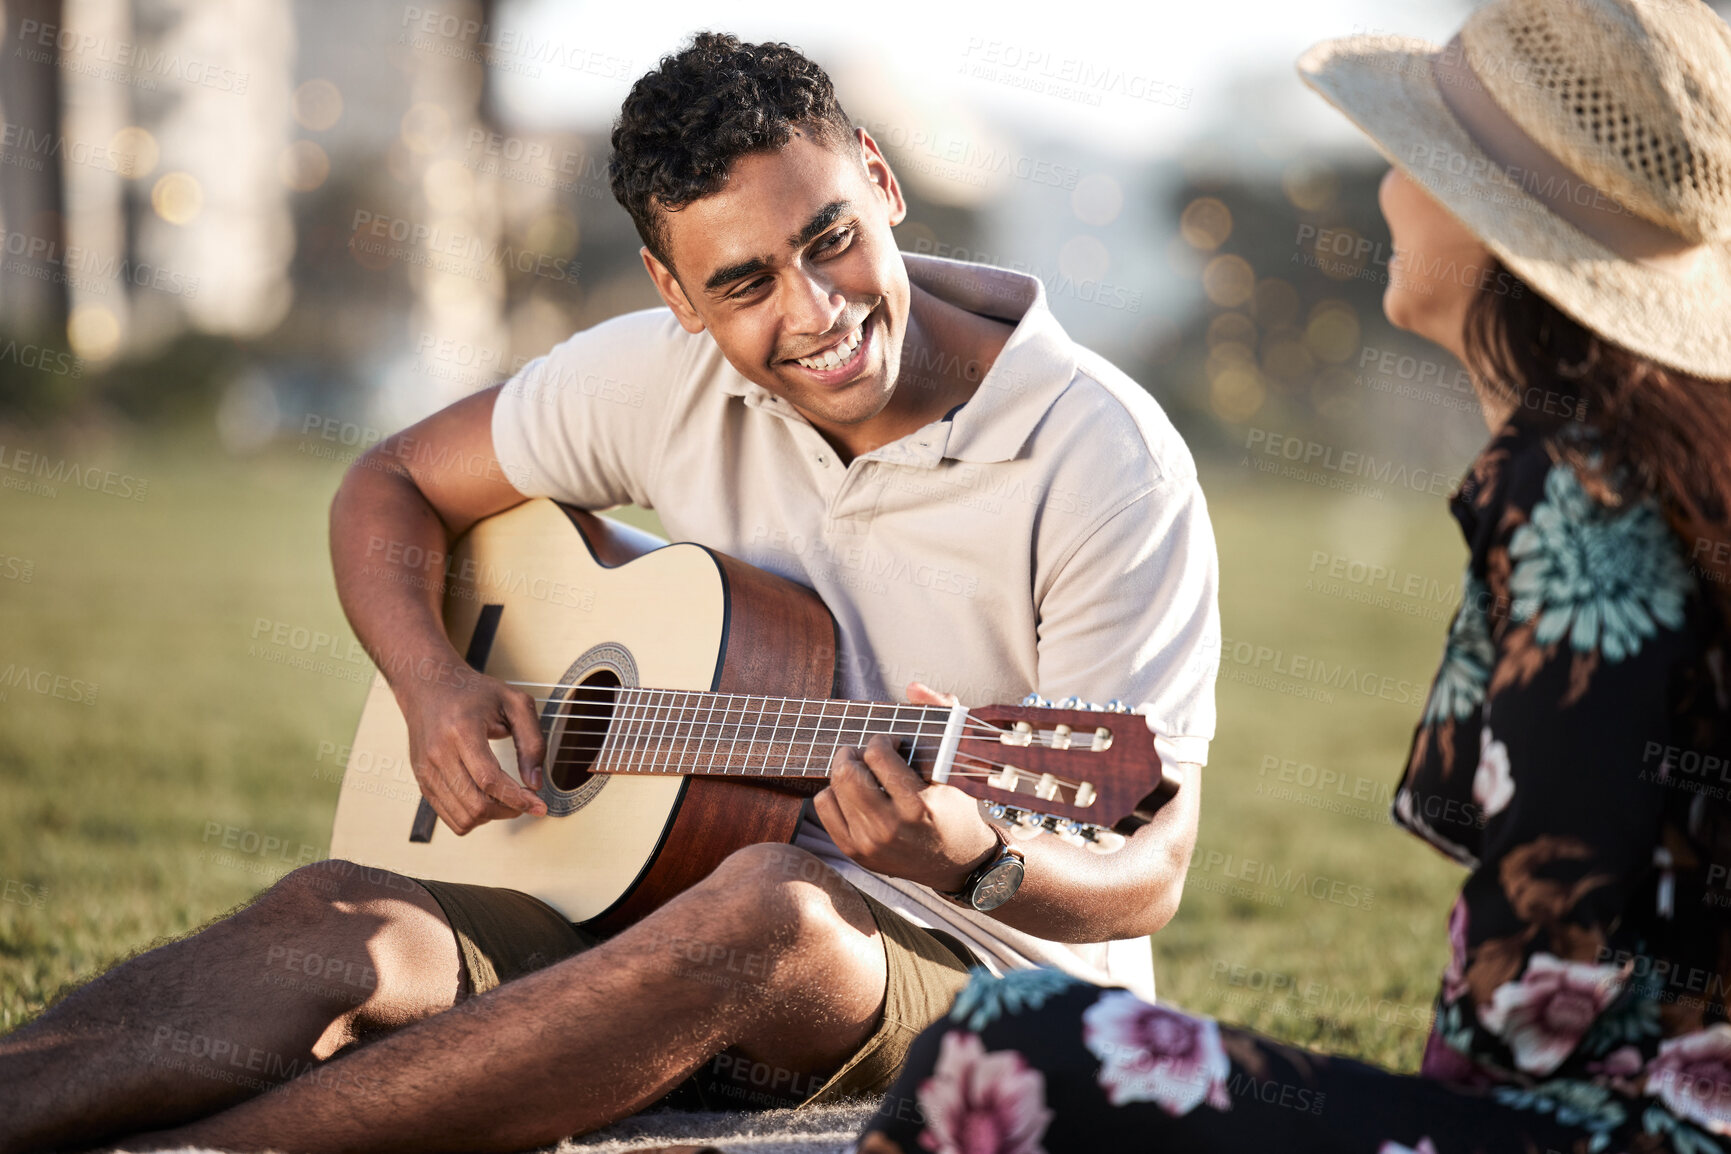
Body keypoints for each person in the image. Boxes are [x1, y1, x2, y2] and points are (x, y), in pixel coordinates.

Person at [0, 32, 1221, 1154]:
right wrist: (435, 686)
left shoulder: (1103, 456)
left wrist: (976, 857)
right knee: (330, 918)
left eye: (831, 236)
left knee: (776, 907)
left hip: (986, 978)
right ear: (675, 294)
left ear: (881, 182)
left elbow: (1148, 866)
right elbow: (388, 484)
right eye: (742, 284)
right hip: (648, 901)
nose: (816, 311)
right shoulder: (662, 376)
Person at [853, 0, 1731, 1150]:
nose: (1384, 188)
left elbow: (1538, 962)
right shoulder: (1644, 460)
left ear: (1488, 216)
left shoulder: (1572, 494)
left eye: (1412, 157)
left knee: (1003, 1036)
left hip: (1619, 1130)